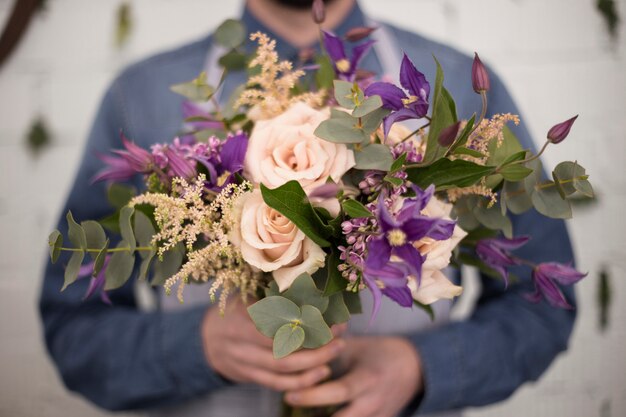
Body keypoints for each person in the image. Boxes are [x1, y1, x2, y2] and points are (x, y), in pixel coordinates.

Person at [39, 0, 577, 416]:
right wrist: (193, 346)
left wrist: (421, 368)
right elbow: (73, 327)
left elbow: (541, 306)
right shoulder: (143, 98)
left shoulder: (459, 87)